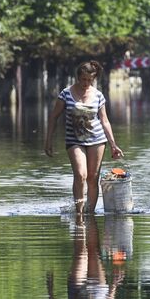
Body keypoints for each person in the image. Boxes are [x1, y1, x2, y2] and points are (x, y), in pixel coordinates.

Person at [44, 60, 124, 215]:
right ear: (78, 77)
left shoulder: (98, 95)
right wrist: (48, 141)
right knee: (81, 174)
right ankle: (79, 213)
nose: (86, 83)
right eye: (83, 79)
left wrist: (113, 145)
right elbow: (53, 117)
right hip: (74, 140)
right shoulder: (66, 94)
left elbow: (104, 121)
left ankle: (90, 214)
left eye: (89, 80)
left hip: (97, 140)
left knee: (93, 178)